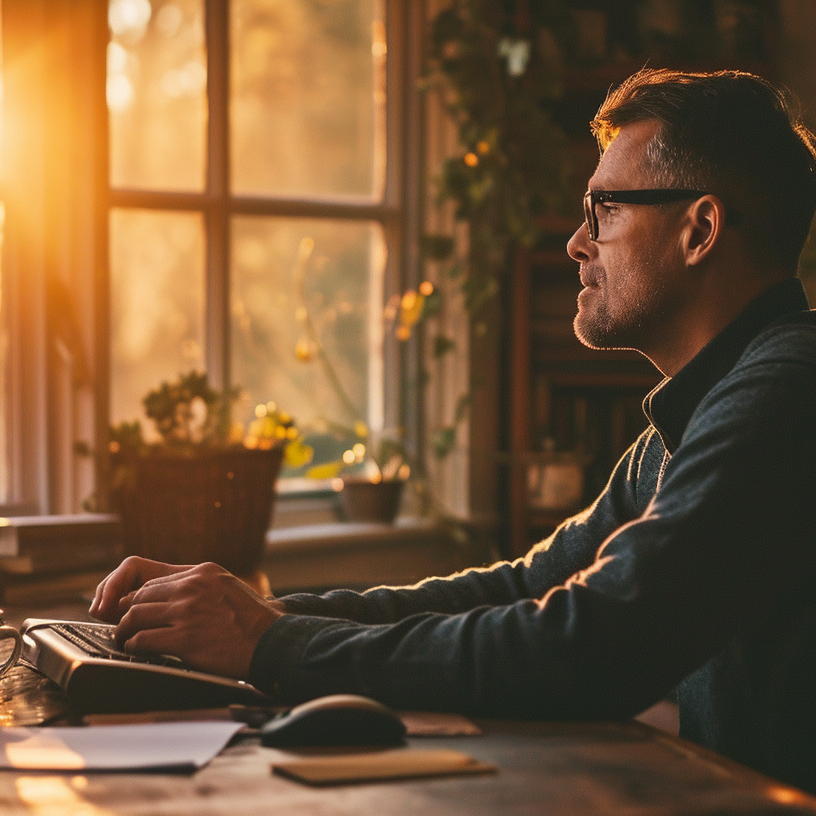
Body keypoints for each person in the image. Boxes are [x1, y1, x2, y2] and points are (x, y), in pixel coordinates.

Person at [91, 69, 816, 792]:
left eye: (604, 210)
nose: (575, 243)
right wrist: (258, 611)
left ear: (701, 229)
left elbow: (592, 646)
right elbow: (526, 588)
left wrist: (269, 643)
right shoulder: (690, 421)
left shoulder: (788, 389)